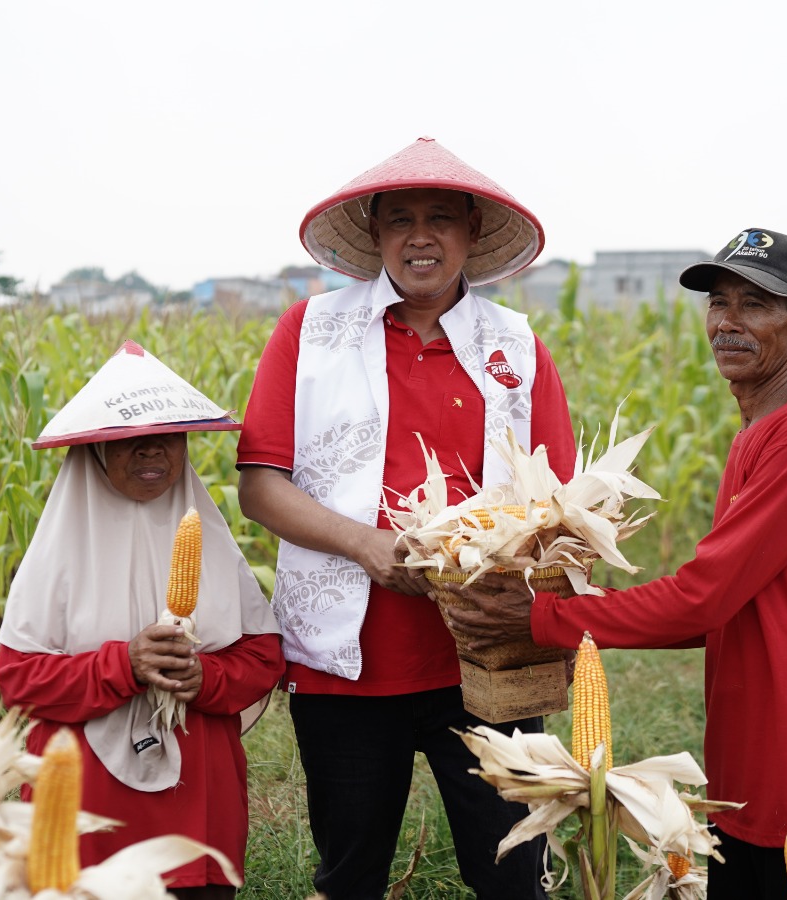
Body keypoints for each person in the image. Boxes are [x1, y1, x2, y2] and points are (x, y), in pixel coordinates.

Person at [445, 229, 787, 899]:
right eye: (719, 303)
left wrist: (545, 616)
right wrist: (581, 615)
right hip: (763, 744)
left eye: (756, 303)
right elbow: (725, 600)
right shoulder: (764, 429)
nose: (729, 322)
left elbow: (703, 599)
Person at [235, 137, 577, 900]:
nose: (420, 237)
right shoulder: (310, 333)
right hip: (348, 664)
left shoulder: (515, 348)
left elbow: (558, 501)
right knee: (352, 871)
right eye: (400, 221)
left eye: (440, 219)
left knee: (512, 873)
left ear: (472, 234)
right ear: (377, 234)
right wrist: (365, 544)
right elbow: (261, 485)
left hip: (490, 656)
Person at [0, 340, 283, 899]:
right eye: (129, 440)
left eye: (168, 438)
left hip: (197, 805)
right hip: (87, 810)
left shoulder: (209, 539)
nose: (152, 451)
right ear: (96, 453)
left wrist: (207, 677)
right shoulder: (60, 552)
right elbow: (19, 681)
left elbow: (263, 656)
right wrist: (122, 663)